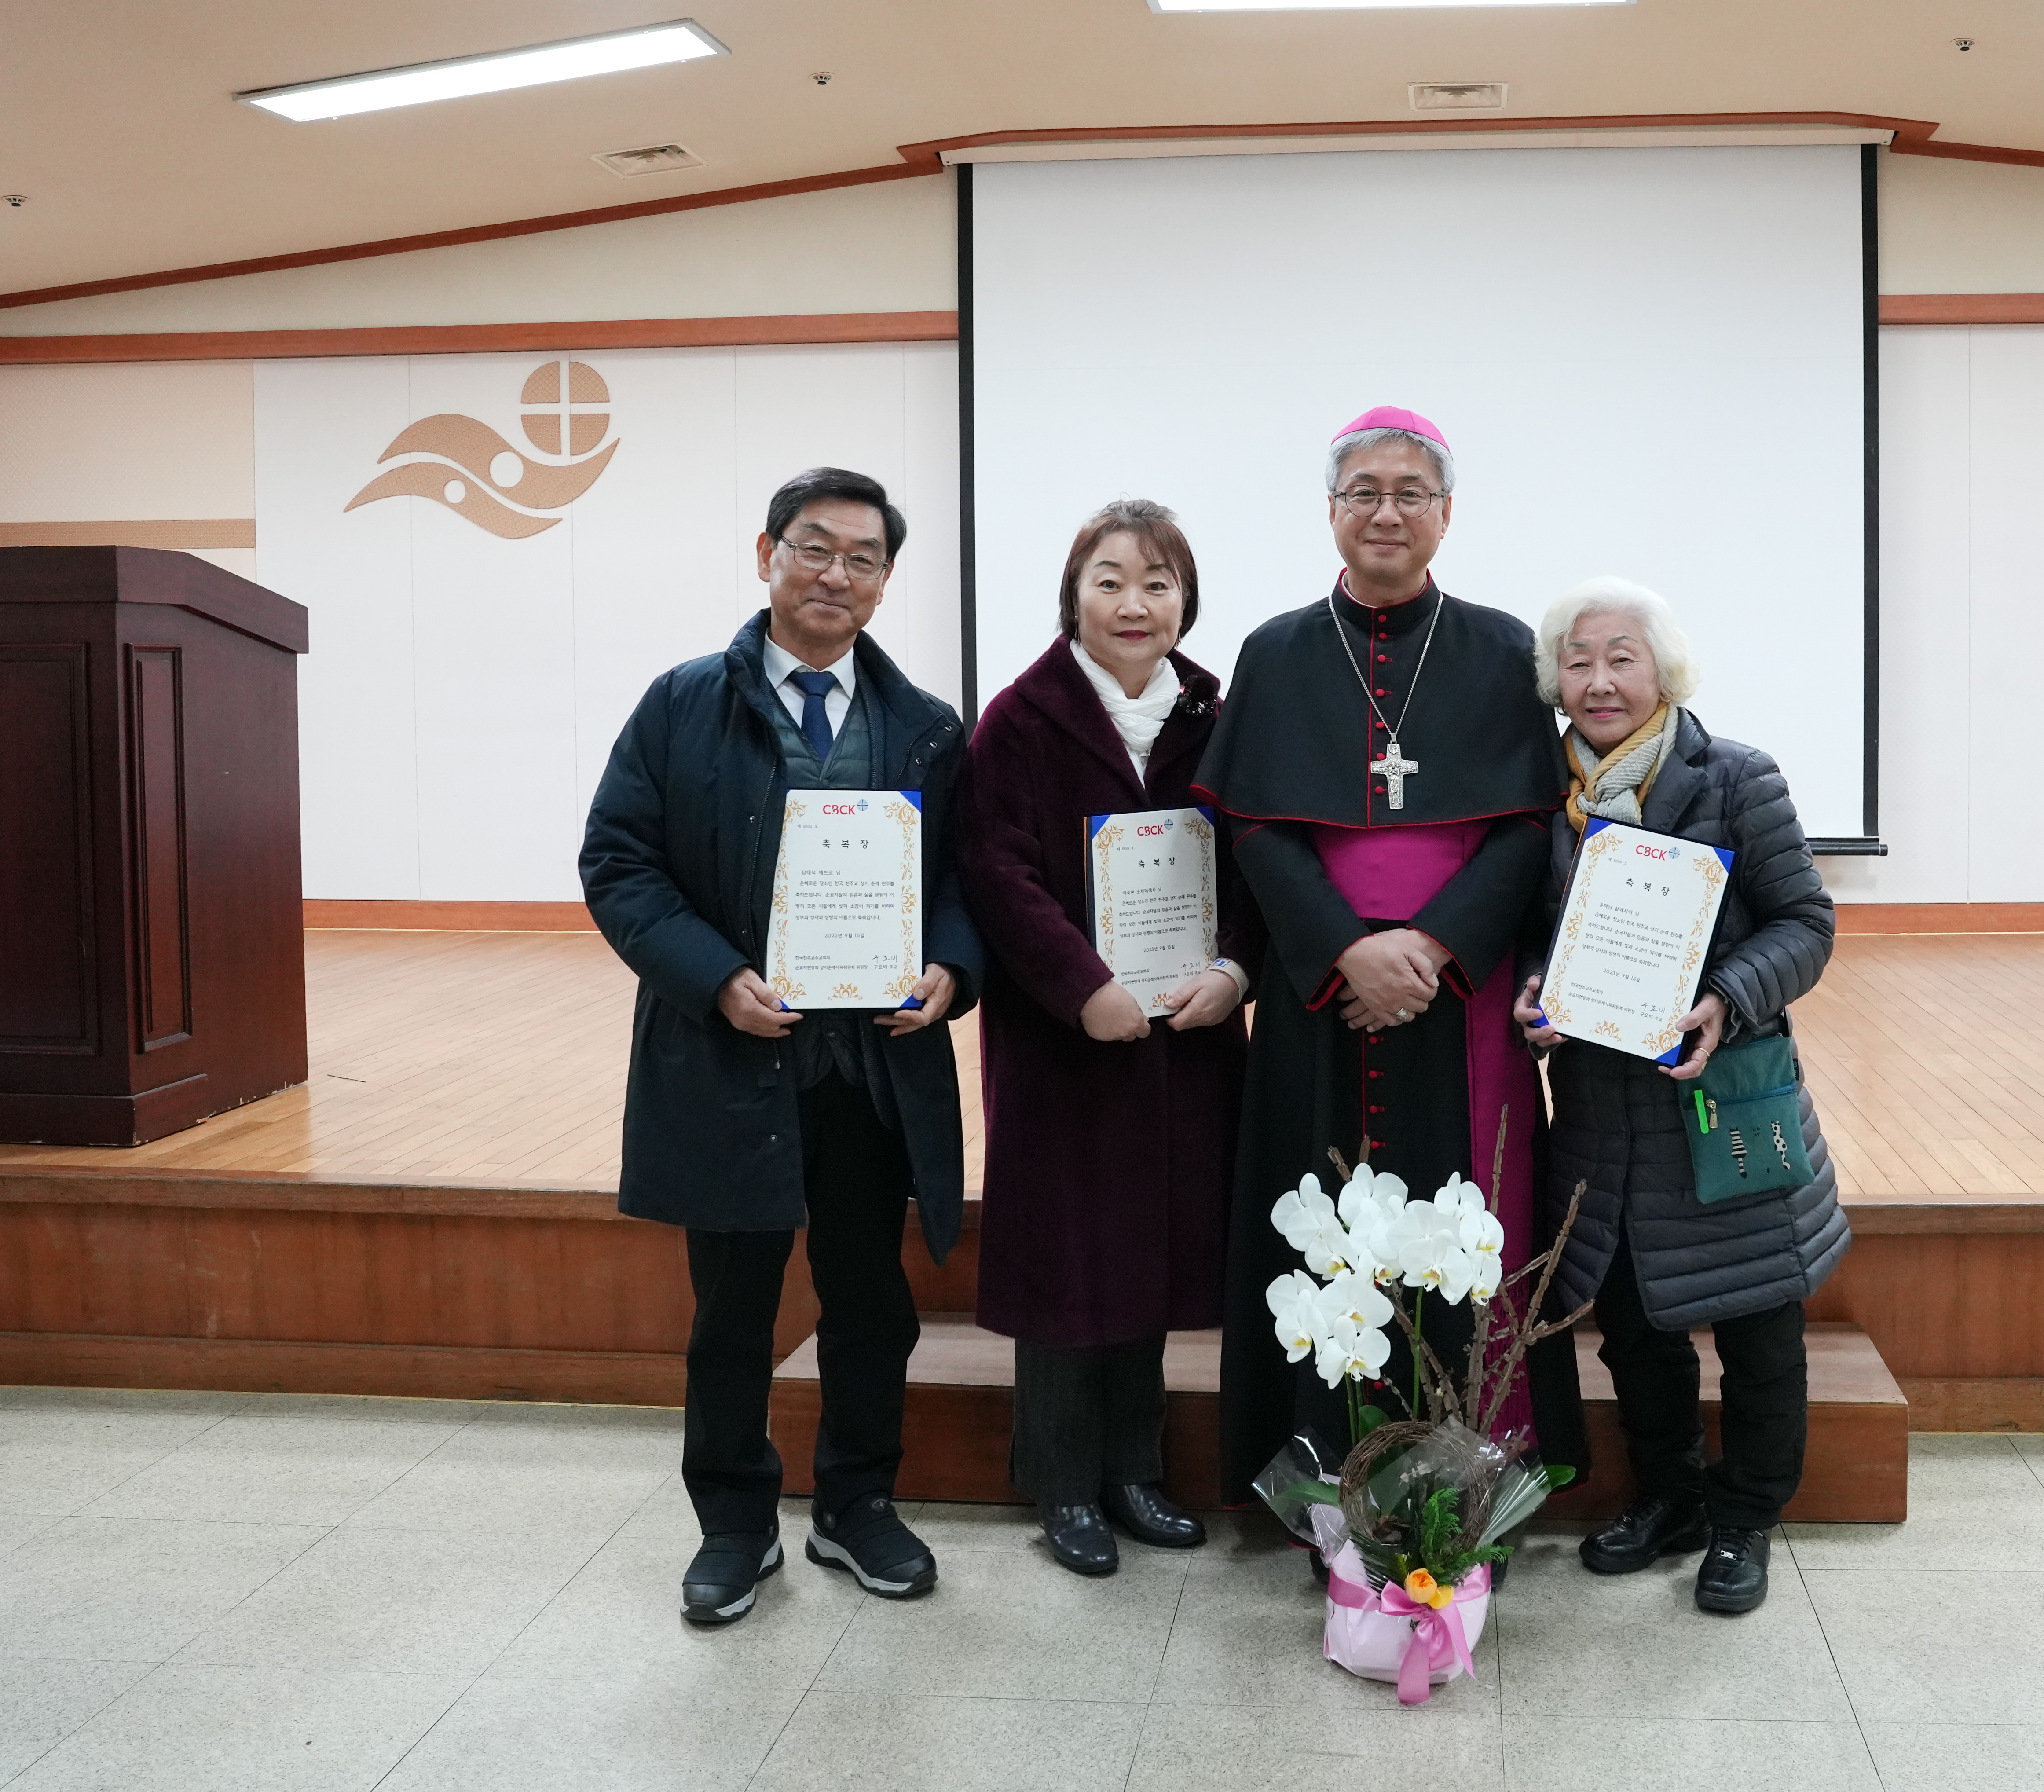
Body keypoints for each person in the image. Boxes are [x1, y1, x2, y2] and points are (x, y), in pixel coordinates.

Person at [580, 465, 983, 1625]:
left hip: (871, 1071)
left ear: (885, 579)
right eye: (814, 547)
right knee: (731, 1311)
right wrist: (716, 979)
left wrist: (950, 971)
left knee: (871, 1303)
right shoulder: (680, 705)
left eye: (862, 557)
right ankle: (734, 1525)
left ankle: (857, 1505)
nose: (835, 573)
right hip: (731, 1058)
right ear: (765, 554)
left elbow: (958, 880)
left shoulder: (921, 727)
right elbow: (619, 861)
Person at [1197, 406, 1577, 1499]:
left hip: (1458, 993)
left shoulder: (1506, 648)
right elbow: (1258, 828)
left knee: (1472, 1224)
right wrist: (1342, 953)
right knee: (1312, 1235)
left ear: (1446, 515)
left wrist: (1431, 947)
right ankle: (1316, 1481)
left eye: (1410, 493)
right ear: (1329, 512)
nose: (1385, 512)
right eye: (1362, 492)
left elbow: (1522, 826)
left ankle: (1474, 1484)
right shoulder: (1274, 652)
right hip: (1319, 993)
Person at [1512, 577, 1849, 1616]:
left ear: (1662, 670)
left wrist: (1723, 1000)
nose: (1599, 679)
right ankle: (1670, 1497)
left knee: (1757, 1331)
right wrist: (1535, 992)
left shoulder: (1736, 777)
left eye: (1621, 656)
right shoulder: (1538, 798)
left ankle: (1743, 1517)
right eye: (1577, 659)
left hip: (1722, 1104)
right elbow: (1532, 935)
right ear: (1552, 680)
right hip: (1605, 1120)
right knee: (1633, 1327)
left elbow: (1805, 926)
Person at [960, 500, 1261, 1576]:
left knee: (1150, 1247)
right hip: (1064, 1040)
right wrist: (1079, 985)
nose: (1135, 604)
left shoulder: (1215, 716)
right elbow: (997, 873)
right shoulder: (1021, 719)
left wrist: (1235, 969)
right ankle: (1061, 1483)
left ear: (1185, 598)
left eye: (1158, 583)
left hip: (1185, 1033)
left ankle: (1135, 1470)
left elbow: (1257, 864)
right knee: (1067, 1257)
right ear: (1072, 595)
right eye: (1110, 580)